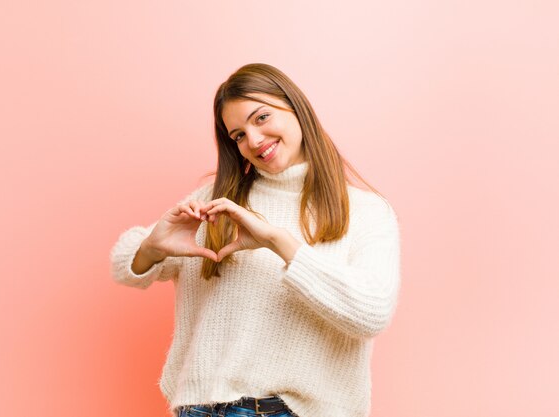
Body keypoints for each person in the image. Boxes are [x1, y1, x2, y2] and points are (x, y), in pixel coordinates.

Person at [109, 63, 401, 417]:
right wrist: (152, 248)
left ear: (295, 107)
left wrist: (279, 242)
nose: (254, 140)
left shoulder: (365, 211)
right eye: (238, 135)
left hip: (295, 411)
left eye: (261, 118)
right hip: (203, 408)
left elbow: (371, 312)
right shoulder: (222, 200)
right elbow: (124, 264)